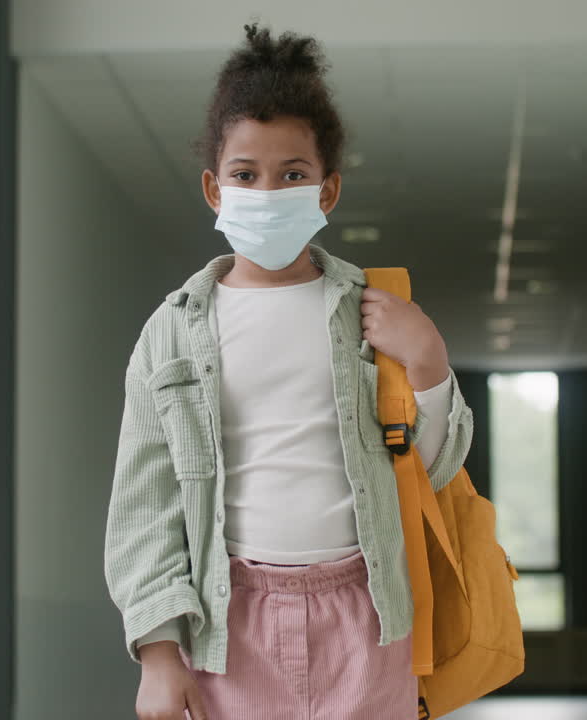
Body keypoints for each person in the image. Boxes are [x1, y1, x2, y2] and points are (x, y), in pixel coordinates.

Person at [104, 23, 474, 720]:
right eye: (246, 174)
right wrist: (158, 653)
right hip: (226, 625)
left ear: (327, 191)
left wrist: (428, 362)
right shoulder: (173, 332)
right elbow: (142, 503)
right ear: (215, 188)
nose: (267, 192)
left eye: (293, 174)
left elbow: (433, 472)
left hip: (366, 616)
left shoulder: (375, 313)